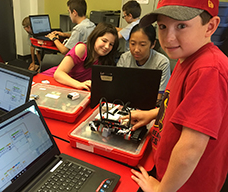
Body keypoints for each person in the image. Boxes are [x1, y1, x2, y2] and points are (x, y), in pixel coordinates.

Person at [122, 0, 228, 191]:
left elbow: (191, 149)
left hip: (183, 185)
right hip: (169, 174)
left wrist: (160, 190)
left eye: (181, 26)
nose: (168, 38)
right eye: (162, 26)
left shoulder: (209, 69)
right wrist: (154, 113)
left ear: (210, 26)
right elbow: (181, 105)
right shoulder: (185, 57)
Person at [42, 22, 119, 91]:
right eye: (104, 41)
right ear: (95, 37)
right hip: (50, 81)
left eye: (111, 44)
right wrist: (79, 84)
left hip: (71, 89)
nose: (107, 46)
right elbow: (58, 74)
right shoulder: (82, 48)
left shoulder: (105, 59)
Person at [117, 24, 170, 102]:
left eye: (142, 45)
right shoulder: (124, 58)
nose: (136, 50)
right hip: (125, 103)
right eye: (132, 44)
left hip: (150, 106)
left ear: (153, 44)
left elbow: (159, 97)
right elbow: (117, 87)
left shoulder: (162, 62)